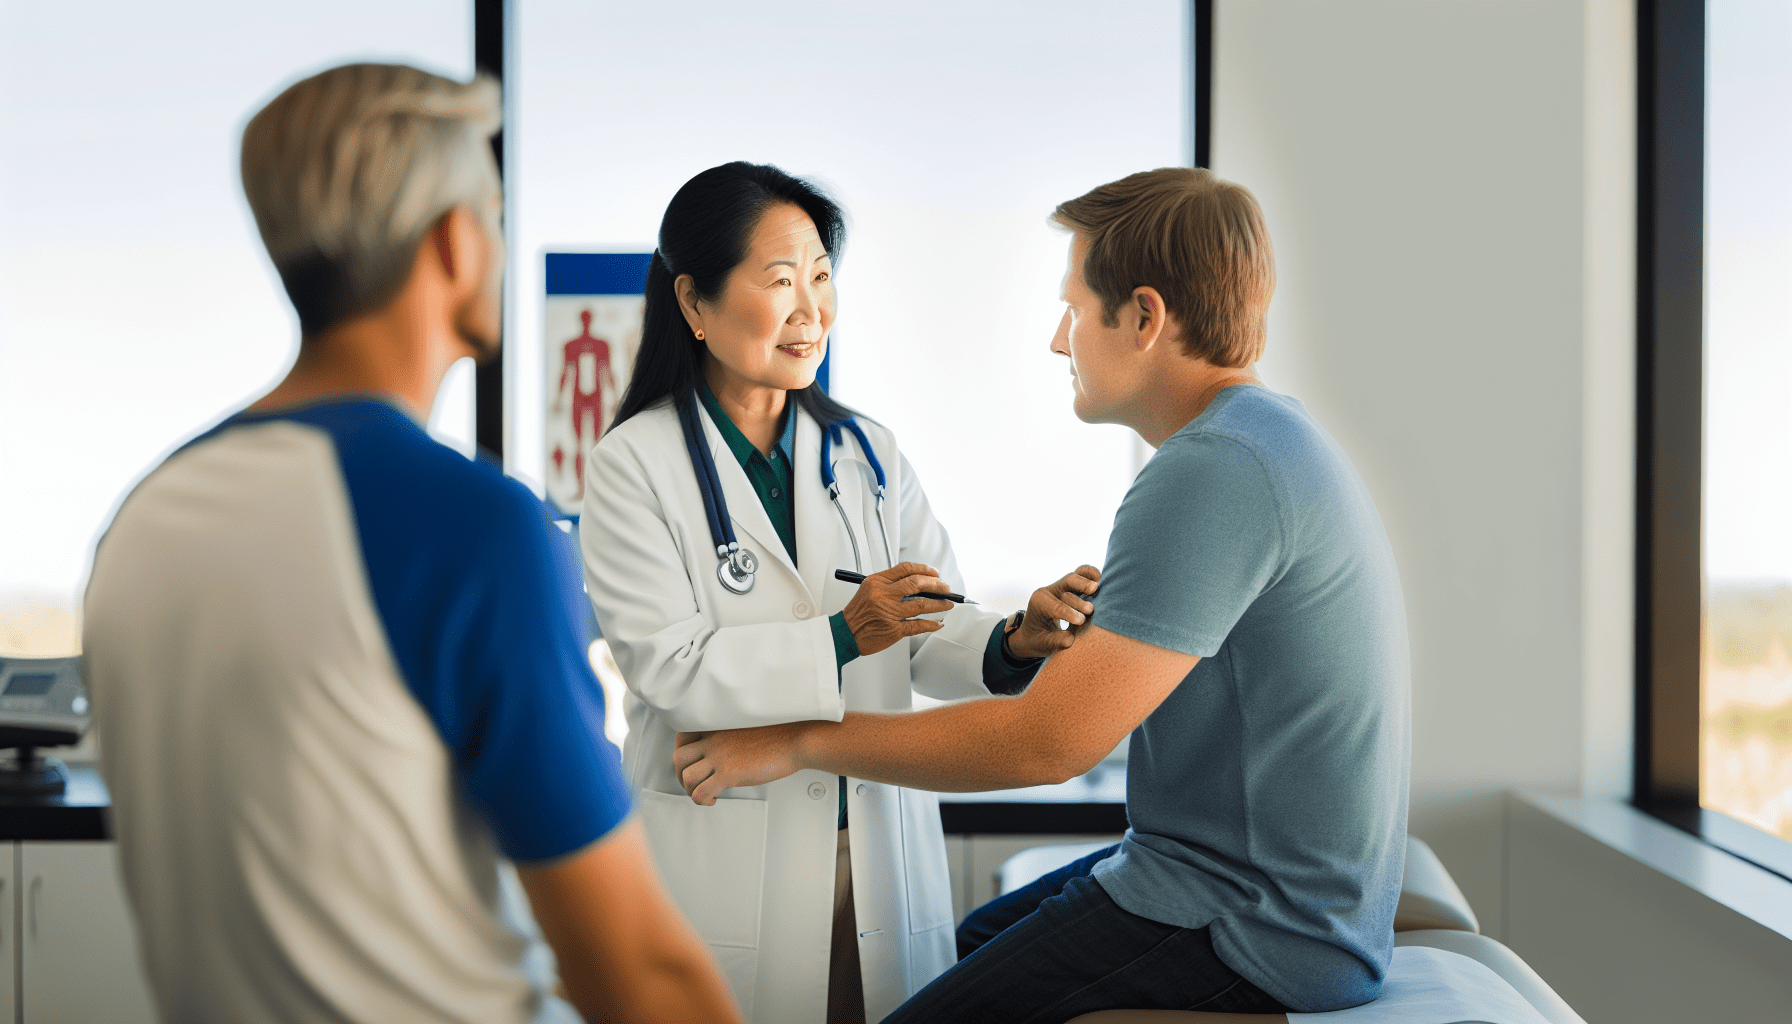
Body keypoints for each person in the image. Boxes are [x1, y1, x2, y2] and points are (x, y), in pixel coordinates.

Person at [81, 63, 741, 1024]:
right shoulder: (467, 523)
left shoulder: (145, 518)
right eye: (496, 216)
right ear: (453, 244)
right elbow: (638, 971)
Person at [672, 167, 1413, 1021]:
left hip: (1259, 924)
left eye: (1076, 310)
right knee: (964, 945)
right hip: (1243, 884)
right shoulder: (1265, 438)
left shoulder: (1215, 470)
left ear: (1144, 317)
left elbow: (1048, 743)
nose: (1060, 341)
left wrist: (799, 742)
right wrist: (1031, 637)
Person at [578, 161, 1100, 1024]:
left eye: (821, 278)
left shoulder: (868, 453)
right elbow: (670, 670)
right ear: (695, 302)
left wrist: (1012, 637)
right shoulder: (632, 466)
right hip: (729, 862)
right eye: (780, 280)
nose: (811, 310)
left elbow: (928, 622)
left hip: (876, 856)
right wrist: (843, 635)